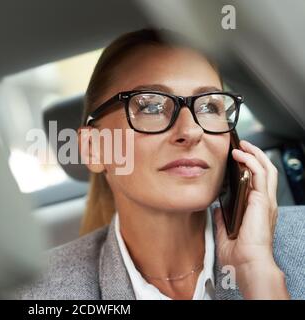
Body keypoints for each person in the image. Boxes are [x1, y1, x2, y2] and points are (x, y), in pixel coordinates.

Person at [15, 29, 305, 300]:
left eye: (209, 106)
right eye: (151, 106)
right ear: (94, 148)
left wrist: (256, 271)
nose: (191, 131)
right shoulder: (38, 294)